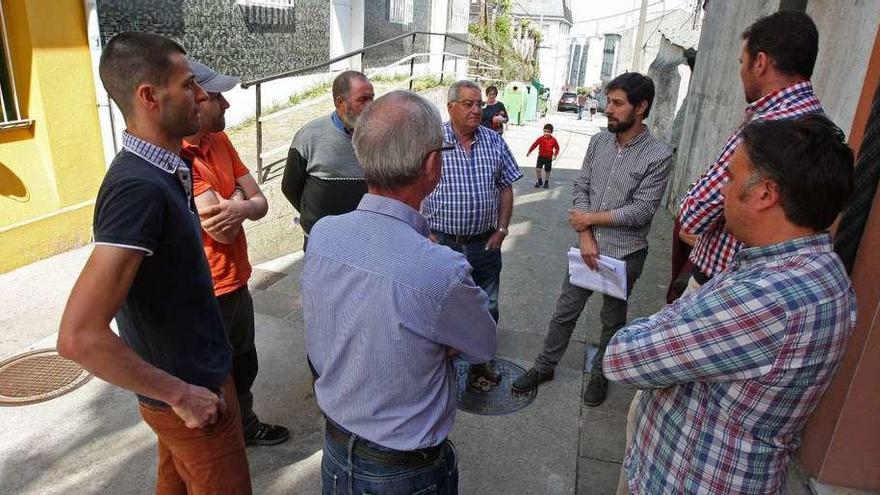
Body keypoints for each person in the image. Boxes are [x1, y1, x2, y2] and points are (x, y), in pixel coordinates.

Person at [606, 115, 856, 495]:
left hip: (692, 481)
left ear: (765, 193)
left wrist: (668, 318)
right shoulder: (821, 269)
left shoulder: (767, 297)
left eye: (731, 179)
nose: (722, 191)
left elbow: (623, 357)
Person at [57, 32, 252, 494]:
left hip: (192, 387)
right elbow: (78, 335)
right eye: (188, 85)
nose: (202, 95)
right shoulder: (138, 188)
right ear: (149, 96)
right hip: (192, 398)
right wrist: (180, 394)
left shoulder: (164, 169)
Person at [302, 90, 497, 495]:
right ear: (432, 164)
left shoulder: (323, 235)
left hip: (337, 450)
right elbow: (482, 344)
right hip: (406, 470)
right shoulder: (440, 269)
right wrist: (441, 339)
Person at [511, 73, 673, 408]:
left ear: (641, 107)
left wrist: (590, 221)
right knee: (564, 311)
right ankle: (544, 365)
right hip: (586, 249)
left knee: (612, 319)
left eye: (617, 103)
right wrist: (585, 234)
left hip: (624, 253)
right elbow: (581, 186)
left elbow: (641, 211)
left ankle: (601, 373)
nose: (607, 110)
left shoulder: (658, 155)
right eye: (607, 101)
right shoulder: (599, 142)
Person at [183, 59, 289, 447]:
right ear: (195, 100)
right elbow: (220, 230)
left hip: (236, 280)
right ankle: (219, 442)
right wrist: (242, 199)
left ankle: (244, 425)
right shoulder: (180, 159)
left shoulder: (219, 141)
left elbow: (261, 203)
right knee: (214, 372)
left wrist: (237, 202)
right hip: (207, 291)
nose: (226, 105)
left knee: (245, 362)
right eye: (216, 97)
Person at [678, 10, 824, 292]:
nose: (741, 71)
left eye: (742, 62)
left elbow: (693, 213)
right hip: (771, 279)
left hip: (723, 279)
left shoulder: (769, 124)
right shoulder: (816, 119)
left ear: (760, 62)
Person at [422, 80, 523, 392]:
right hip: (442, 242)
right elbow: (414, 185)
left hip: (484, 243)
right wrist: (424, 233)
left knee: (487, 305)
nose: (477, 109)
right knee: (439, 305)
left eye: (479, 103)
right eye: (468, 103)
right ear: (451, 107)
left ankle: (482, 362)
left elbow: (506, 185)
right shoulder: (432, 141)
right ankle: (437, 366)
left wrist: (503, 229)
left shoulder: (493, 141)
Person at [281, 70, 375, 250]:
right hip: (320, 241)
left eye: (372, 98)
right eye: (363, 100)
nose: (370, 106)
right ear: (340, 103)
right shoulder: (310, 136)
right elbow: (290, 187)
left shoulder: (380, 136)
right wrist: (314, 218)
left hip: (364, 240)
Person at [526, 123, 560, 189]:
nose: (546, 133)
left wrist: (555, 155)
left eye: (548, 132)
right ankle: (540, 181)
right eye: (545, 131)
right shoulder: (540, 139)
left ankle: (546, 182)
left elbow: (557, 148)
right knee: (538, 169)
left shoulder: (553, 140)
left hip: (549, 157)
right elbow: (534, 145)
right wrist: (529, 151)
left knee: (547, 171)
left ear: (551, 132)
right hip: (541, 157)